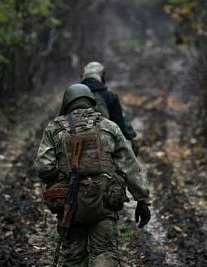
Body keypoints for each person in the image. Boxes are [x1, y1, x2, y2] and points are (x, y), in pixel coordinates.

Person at [36, 84, 150, 266]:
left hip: (70, 205)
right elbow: (129, 166)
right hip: (104, 201)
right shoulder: (109, 127)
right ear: (91, 101)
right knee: (104, 252)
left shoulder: (54, 129)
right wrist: (142, 200)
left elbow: (43, 168)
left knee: (73, 258)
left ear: (67, 102)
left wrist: (61, 178)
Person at [59, 61, 139, 155]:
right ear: (102, 77)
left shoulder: (71, 95)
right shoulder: (110, 96)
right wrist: (131, 139)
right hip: (104, 146)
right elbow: (120, 125)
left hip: (73, 146)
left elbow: (61, 121)